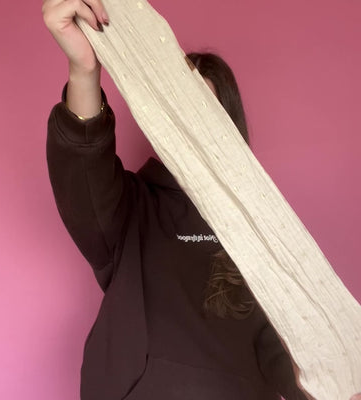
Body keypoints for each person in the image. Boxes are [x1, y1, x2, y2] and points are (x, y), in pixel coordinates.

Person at [42, 0, 361, 399]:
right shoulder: (130, 207)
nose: (195, 134)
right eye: (185, 113)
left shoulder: (266, 230)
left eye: (209, 117)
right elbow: (83, 171)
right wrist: (84, 70)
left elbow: (291, 351)